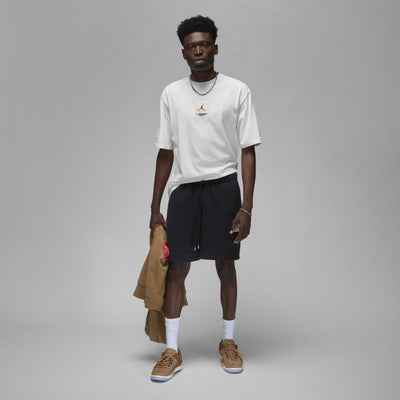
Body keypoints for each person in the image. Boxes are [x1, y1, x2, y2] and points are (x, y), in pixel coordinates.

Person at [148, 15, 261, 382]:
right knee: (176, 269)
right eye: (191, 46)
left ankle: (228, 342)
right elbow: (165, 152)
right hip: (183, 191)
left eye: (204, 44)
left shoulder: (237, 90)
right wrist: (154, 206)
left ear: (215, 47)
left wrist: (246, 207)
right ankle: (171, 350)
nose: (198, 50)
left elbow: (248, 150)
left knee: (226, 265)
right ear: (184, 52)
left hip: (223, 188)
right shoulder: (171, 93)